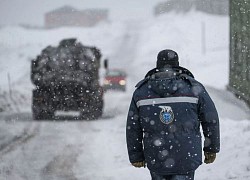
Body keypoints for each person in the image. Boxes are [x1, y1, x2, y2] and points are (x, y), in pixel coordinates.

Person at [126, 49, 220, 180]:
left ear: (158, 65)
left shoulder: (142, 92)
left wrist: (136, 155)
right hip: (186, 156)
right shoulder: (194, 88)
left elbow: (133, 126)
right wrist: (211, 148)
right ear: (177, 64)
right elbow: (211, 119)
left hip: (156, 157)